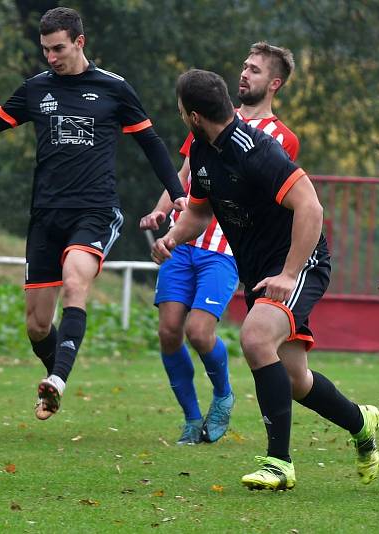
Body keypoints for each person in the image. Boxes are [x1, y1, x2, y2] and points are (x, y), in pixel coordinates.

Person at [0, 7, 187, 420]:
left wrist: (177, 193)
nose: (51, 57)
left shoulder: (114, 89)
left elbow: (151, 144)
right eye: (45, 50)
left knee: (77, 280)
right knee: (38, 325)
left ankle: (58, 380)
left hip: (95, 210)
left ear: (80, 42)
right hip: (46, 216)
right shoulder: (36, 89)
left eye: (58, 48)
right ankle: (54, 376)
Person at [151, 69, 379, 490]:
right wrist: (171, 235)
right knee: (296, 380)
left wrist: (290, 273)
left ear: (194, 115)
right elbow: (200, 213)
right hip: (263, 271)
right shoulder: (203, 151)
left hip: (300, 262)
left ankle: (279, 463)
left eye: (182, 110)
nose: (182, 116)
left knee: (255, 338)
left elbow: (311, 207)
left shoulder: (256, 149)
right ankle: (360, 422)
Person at [139, 42, 299, 445]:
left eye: (255, 70)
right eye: (244, 67)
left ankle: (224, 396)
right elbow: (186, 175)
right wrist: (163, 213)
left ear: (274, 83)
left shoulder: (277, 139)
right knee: (169, 330)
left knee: (198, 330)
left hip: (224, 250)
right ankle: (192, 418)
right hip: (185, 238)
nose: (244, 74)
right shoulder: (207, 122)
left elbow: (278, 200)